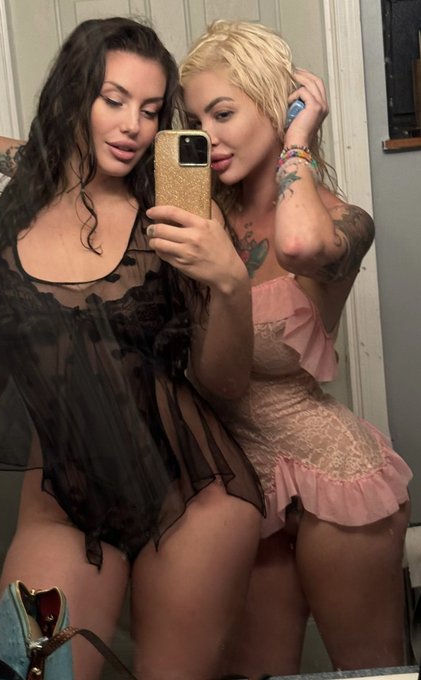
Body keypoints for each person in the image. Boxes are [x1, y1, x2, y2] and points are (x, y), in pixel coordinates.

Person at [0, 17, 264, 680]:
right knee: (26, 674)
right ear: (73, 95)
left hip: (196, 493)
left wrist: (230, 284)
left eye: (150, 110)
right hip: (62, 505)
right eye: (114, 100)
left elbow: (225, 385)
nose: (133, 126)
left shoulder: (178, 217)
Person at [176, 19, 413, 677]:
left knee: (367, 671)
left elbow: (300, 246)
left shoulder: (341, 221)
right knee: (256, 673)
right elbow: (76, 163)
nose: (207, 135)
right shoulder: (197, 211)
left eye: (223, 112)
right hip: (239, 482)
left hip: (332, 476)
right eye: (194, 120)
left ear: (275, 105)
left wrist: (298, 137)